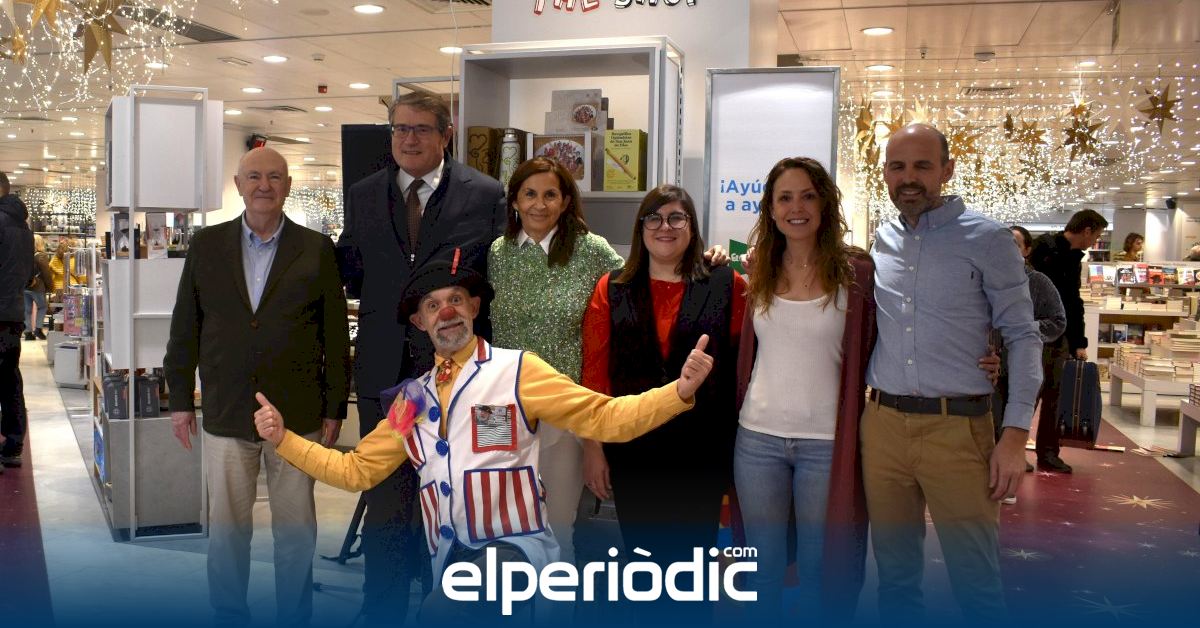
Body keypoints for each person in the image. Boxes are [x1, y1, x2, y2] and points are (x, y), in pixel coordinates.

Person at [251, 259, 714, 621]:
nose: (446, 312)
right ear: (419, 322)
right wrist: (284, 439)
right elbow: (356, 471)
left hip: (515, 554)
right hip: (448, 561)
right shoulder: (411, 400)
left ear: (473, 308)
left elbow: (605, 417)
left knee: (441, 613)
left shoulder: (518, 370)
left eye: (455, 300)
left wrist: (677, 393)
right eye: (432, 305)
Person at [337, 91, 506, 623]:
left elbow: (498, 276)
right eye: (400, 129)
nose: (408, 139)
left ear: (445, 134)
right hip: (386, 374)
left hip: (460, 378)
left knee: (462, 498)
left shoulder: (485, 194)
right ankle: (381, 610)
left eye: (421, 129)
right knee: (386, 499)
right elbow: (352, 269)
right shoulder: (364, 194)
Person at [163, 147, 350, 627]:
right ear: (238, 184)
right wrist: (180, 400)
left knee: (296, 530)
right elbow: (185, 327)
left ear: (288, 186)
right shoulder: (207, 246)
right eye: (254, 177)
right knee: (228, 531)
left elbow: (334, 335)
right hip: (227, 409)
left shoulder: (316, 249)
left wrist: (335, 406)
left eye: (274, 177)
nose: (264, 185)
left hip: (298, 415)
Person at [863, 124, 1041, 621]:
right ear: (885, 174)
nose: (909, 178)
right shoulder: (882, 240)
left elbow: (1024, 336)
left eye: (922, 166)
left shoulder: (989, 239)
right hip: (882, 428)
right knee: (894, 578)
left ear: (947, 170)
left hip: (959, 430)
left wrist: (1015, 435)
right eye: (897, 167)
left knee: (976, 583)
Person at [579, 184, 742, 600]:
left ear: (692, 227)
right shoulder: (612, 287)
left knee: (693, 570)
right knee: (645, 567)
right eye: (654, 218)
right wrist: (593, 448)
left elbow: (744, 371)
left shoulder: (727, 283)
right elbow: (595, 373)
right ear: (641, 228)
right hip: (634, 448)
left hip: (701, 451)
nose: (664, 227)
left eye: (676, 218)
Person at [730, 157, 873, 621]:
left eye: (808, 196)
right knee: (762, 571)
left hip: (826, 445)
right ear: (770, 209)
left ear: (824, 204)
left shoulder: (856, 273)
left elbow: (886, 342)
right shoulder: (758, 270)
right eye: (785, 198)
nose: (796, 208)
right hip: (757, 441)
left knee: (818, 573)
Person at [487, 157, 624, 566]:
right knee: (498, 524)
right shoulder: (498, 252)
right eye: (529, 194)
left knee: (555, 530)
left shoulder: (590, 250)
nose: (539, 204)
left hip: (563, 411)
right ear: (514, 200)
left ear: (565, 202)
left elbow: (639, 283)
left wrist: (706, 261)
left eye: (550, 195)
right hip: (498, 409)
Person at [1028, 209, 1108, 474]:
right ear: (1086, 230)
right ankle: (1015, 450)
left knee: (1055, 396)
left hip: (1058, 338)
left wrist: (1078, 342)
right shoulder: (1044, 250)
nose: (1094, 242)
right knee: (1027, 395)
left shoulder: (1071, 258)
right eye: (1096, 236)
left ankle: (1048, 452)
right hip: (1036, 334)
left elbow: (1073, 304)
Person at [991, 226, 1067, 495]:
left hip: (1026, 363)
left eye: (1015, 244)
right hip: (993, 365)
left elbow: (1058, 321)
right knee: (994, 420)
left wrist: (1024, 331)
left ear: (1027, 250)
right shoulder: (990, 279)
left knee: (1017, 418)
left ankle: (1010, 469)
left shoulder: (1038, 282)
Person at [0, 171, 33, 471]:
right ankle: (12, 445)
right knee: (10, 379)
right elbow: (28, 272)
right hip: (12, 314)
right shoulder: (24, 227)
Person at [23, 234, 52, 341]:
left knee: (27, 309)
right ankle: (38, 329)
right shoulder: (41, 256)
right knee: (42, 307)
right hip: (37, 286)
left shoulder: (24, 254)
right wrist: (49, 286)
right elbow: (46, 273)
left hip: (25, 286)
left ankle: (28, 332)